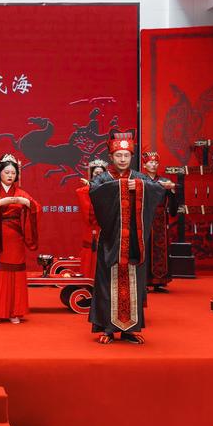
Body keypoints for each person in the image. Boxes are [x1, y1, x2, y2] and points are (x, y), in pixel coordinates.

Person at [88, 132, 170, 345]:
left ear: (131, 157)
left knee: (135, 282)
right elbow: (94, 191)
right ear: (111, 156)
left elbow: (157, 190)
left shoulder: (140, 177)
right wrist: (123, 187)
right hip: (111, 239)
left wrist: (140, 188)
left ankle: (130, 329)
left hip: (135, 239)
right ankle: (107, 328)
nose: (123, 159)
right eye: (118, 155)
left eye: (126, 155)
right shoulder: (103, 178)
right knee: (107, 282)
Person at [0, 154, 40, 325]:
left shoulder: (21, 193)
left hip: (15, 240)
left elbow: (36, 207)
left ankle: (14, 311)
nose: (10, 175)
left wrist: (26, 202)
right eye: (6, 172)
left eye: (13, 172)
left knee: (15, 273)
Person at [141, 150, 178, 292]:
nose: (153, 165)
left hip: (160, 219)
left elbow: (173, 205)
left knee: (160, 248)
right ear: (144, 165)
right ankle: (143, 281)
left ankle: (159, 281)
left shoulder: (164, 181)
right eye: (150, 162)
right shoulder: (140, 180)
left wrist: (172, 190)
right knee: (145, 248)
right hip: (144, 217)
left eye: (156, 162)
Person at [75, 159, 108, 280]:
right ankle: (89, 279)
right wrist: (91, 188)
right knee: (90, 251)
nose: (98, 176)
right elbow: (89, 215)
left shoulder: (110, 189)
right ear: (91, 175)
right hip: (92, 228)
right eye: (96, 173)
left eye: (101, 173)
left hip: (107, 228)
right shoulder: (84, 191)